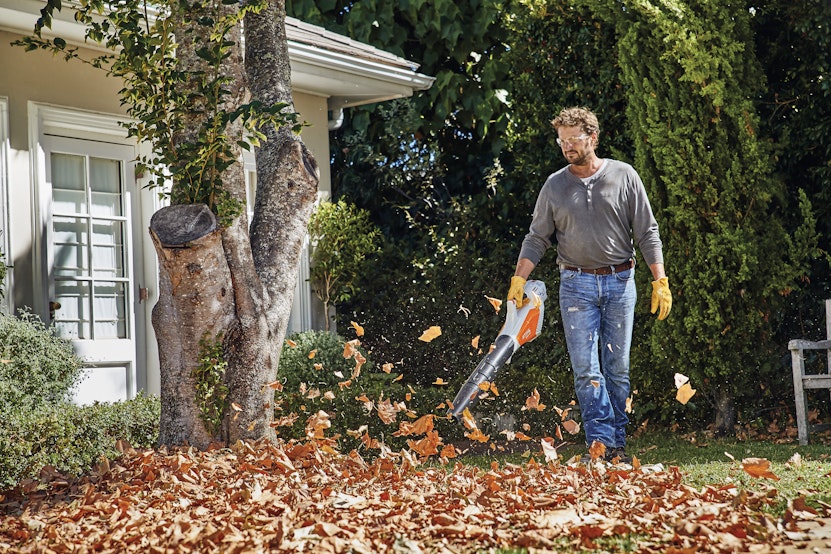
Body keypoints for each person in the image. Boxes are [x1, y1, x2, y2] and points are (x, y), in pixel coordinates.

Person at [507, 106, 672, 464]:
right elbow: (537, 237)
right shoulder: (555, 186)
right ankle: (600, 445)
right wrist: (520, 276)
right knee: (586, 369)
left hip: (620, 282)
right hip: (576, 285)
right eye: (561, 140)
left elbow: (647, 231)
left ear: (592, 138)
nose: (566, 146)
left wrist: (660, 280)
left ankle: (617, 444)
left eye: (573, 139)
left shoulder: (624, 176)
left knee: (618, 368)